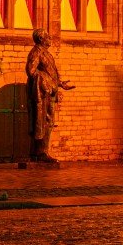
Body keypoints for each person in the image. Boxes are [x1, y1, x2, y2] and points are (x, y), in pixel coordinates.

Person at [25, 29, 73, 162]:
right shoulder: (36, 52)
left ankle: (41, 152)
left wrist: (60, 83)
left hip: (50, 91)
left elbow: (50, 73)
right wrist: (45, 82)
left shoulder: (47, 54)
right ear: (41, 39)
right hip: (41, 92)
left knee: (49, 121)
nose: (50, 38)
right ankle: (40, 153)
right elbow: (31, 71)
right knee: (41, 121)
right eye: (47, 36)